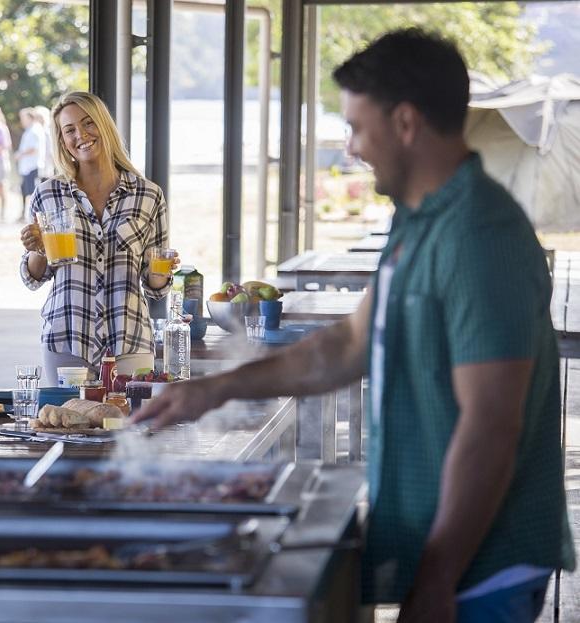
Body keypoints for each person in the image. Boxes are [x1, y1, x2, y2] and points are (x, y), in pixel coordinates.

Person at [131, 29, 574, 623]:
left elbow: (492, 425)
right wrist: (216, 388)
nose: (350, 148)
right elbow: (347, 345)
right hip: (446, 551)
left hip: (484, 564)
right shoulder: (417, 218)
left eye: (357, 128)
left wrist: (437, 579)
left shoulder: (479, 235)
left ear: (407, 123)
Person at [19, 91, 179, 386]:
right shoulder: (47, 193)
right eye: (69, 130)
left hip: (129, 340)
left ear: (104, 126)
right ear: (62, 140)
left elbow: (155, 286)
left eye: (88, 123)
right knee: (67, 427)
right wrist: (38, 249)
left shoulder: (148, 195)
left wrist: (163, 271)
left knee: (132, 429)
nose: (81, 134)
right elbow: (34, 277)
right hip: (68, 339)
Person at [14, 107, 47, 222]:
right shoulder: (29, 130)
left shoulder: (35, 130)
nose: (22, 121)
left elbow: (34, 148)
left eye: (23, 118)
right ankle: (25, 214)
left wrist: (20, 154)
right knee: (24, 191)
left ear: (29, 117)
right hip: (27, 167)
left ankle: (38, 217)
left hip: (33, 166)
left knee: (34, 193)